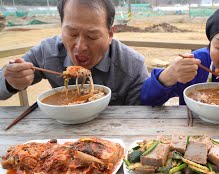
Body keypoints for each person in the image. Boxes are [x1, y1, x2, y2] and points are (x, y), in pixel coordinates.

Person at [0, 0, 149, 105]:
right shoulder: (47, 52)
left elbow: (139, 119)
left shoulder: (132, 66)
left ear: (110, 34)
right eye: (72, 33)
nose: (80, 46)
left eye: (92, 36)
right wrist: (10, 81)